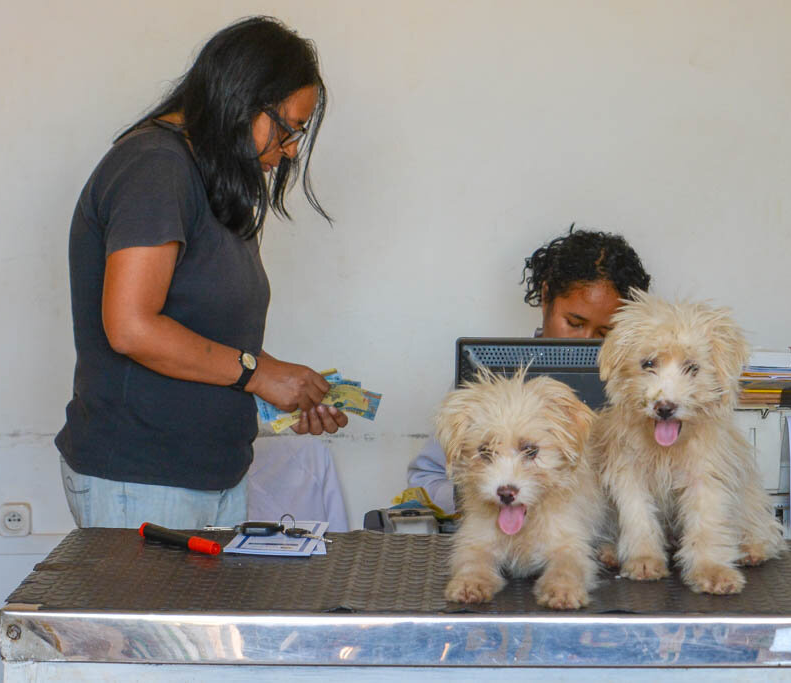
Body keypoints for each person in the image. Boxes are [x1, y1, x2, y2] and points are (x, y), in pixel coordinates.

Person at [56, 17, 348, 530]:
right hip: (143, 477)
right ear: (242, 98)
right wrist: (258, 373)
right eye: (288, 128)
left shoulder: (206, 174)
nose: (292, 150)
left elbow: (200, 328)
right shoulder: (154, 167)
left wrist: (280, 381)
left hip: (207, 473)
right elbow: (131, 328)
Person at [406, 226, 652, 513]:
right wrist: (487, 492)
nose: (586, 342)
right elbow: (426, 478)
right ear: (546, 297)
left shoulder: (641, 389)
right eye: (574, 323)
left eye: (605, 331)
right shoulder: (491, 376)